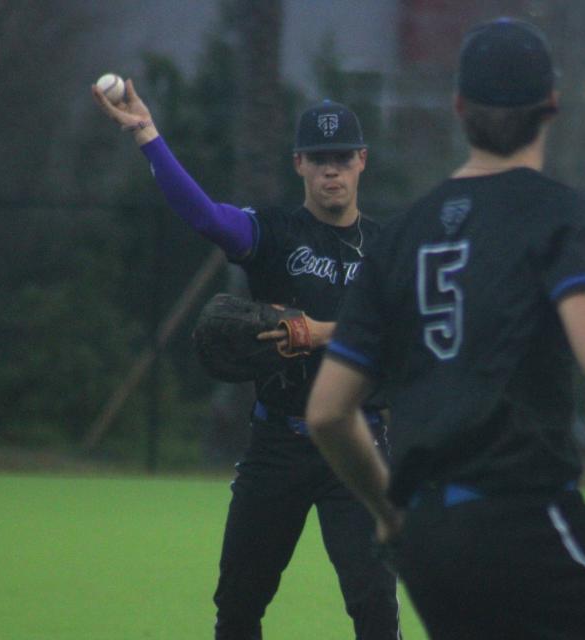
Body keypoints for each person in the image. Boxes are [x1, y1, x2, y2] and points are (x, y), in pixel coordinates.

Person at [303, 18, 585, 640]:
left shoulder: (397, 237)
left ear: (457, 108)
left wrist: (388, 509)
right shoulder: (558, 212)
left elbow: (326, 413)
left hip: (427, 540)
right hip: (523, 516)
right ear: (552, 107)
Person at [91, 83, 400, 639]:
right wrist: (147, 135)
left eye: (343, 158)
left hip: (359, 445)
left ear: (362, 162)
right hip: (277, 444)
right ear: (299, 164)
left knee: (376, 609)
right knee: (238, 605)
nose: (332, 171)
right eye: (320, 159)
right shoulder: (273, 232)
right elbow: (207, 218)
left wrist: (317, 331)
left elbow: (399, 337)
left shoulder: (388, 249)